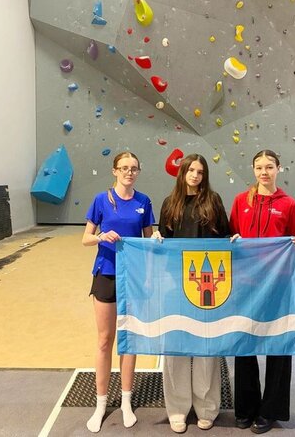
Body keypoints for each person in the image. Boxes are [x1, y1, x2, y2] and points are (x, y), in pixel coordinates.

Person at [229, 149, 295, 434]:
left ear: (278, 169)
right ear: (253, 170)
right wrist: (232, 239)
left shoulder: (288, 204)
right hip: (246, 284)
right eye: (259, 167)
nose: (264, 172)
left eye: (269, 167)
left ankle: (270, 411)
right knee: (244, 344)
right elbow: (230, 236)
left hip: (277, 285)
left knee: (278, 346)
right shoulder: (241, 201)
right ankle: (246, 408)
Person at [152, 153, 230, 433]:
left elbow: (225, 237)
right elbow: (163, 241)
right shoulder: (170, 203)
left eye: (200, 171)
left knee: (207, 348)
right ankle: (177, 409)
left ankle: (207, 408)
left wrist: (232, 240)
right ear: (182, 172)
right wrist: (157, 239)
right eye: (191, 170)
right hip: (176, 285)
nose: (196, 175)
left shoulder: (214, 201)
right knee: (176, 348)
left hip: (208, 289)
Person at [82, 151, 155, 433]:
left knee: (129, 340)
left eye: (134, 168)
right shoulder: (101, 200)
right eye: (124, 168)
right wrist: (100, 236)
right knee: (105, 340)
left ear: (138, 172)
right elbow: (86, 238)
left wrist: (157, 238)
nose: (129, 172)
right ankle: (101, 404)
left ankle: (126, 402)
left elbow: (149, 239)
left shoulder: (143, 201)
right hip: (106, 274)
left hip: (133, 277)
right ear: (114, 171)